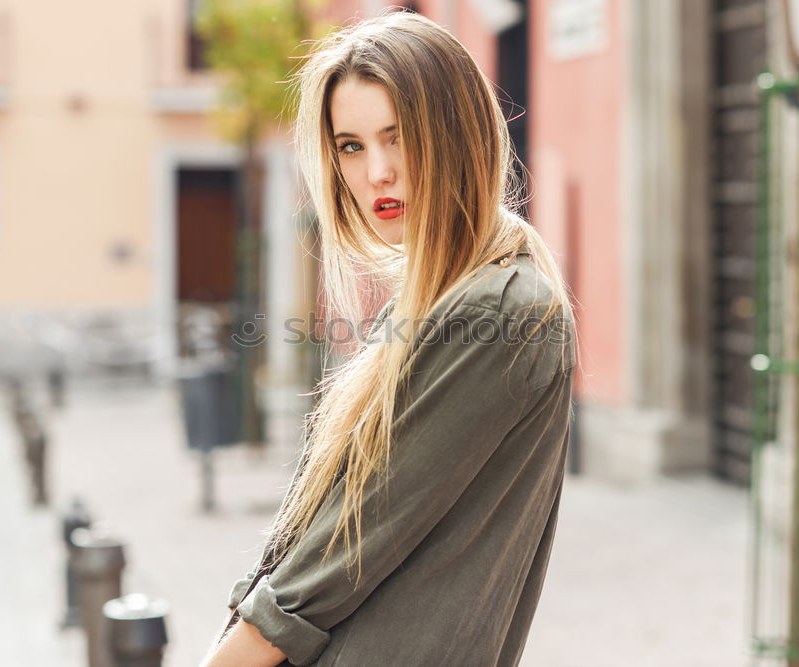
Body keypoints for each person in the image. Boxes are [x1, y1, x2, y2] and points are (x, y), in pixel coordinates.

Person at [200, 9, 578, 667]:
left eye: (398, 138)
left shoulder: (499, 311)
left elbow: (339, 556)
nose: (376, 171)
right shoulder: (436, 306)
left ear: (458, 136)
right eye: (351, 145)